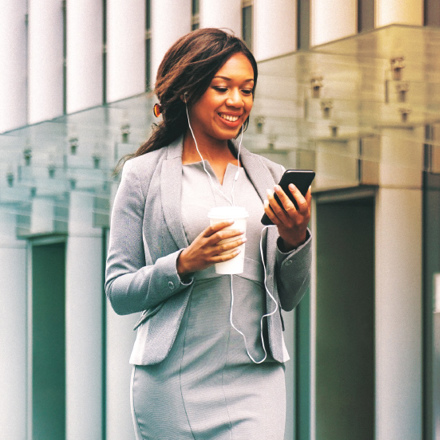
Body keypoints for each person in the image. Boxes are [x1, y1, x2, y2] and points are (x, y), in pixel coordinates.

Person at [105, 28, 312, 440]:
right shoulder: (143, 175)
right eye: (222, 87)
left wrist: (295, 240)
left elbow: (290, 296)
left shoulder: (269, 178)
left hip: (256, 377)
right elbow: (118, 290)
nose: (237, 101)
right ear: (188, 90)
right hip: (172, 380)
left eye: (247, 90)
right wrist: (183, 263)